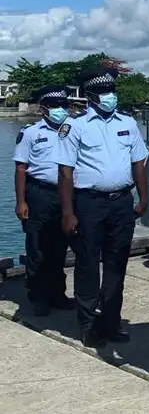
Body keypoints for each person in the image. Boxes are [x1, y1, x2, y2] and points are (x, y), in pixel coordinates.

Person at [57, 67, 148, 347]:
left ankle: (111, 322)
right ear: (90, 96)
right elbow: (65, 172)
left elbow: (138, 164)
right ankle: (87, 325)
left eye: (112, 91)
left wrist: (143, 199)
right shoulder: (76, 126)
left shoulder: (128, 123)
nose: (110, 97)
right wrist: (68, 212)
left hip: (121, 203)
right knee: (86, 264)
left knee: (116, 265)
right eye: (103, 92)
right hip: (88, 204)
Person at [12, 85, 74, 316]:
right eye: (56, 106)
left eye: (64, 105)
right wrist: (21, 202)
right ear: (44, 108)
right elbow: (20, 168)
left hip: (66, 195)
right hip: (39, 194)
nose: (61, 109)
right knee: (38, 247)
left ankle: (58, 294)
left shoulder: (73, 130)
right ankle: (38, 297)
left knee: (60, 247)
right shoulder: (30, 133)